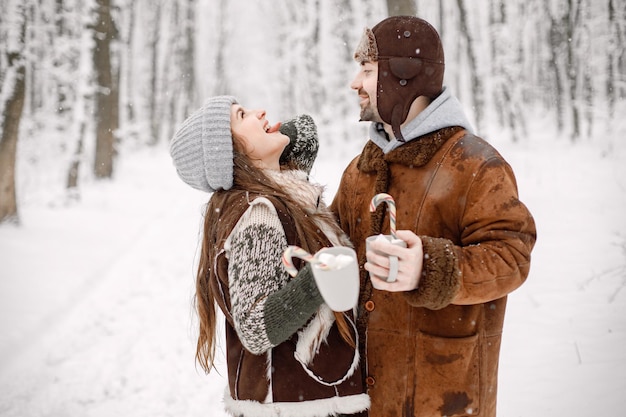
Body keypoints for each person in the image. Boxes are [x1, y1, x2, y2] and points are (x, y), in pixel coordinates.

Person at [330, 16, 537, 417]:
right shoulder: (360, 170)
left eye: (368, 70)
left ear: (402, 76)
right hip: (363, 401)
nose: (354, 83)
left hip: (444, 398)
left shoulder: (476, 165)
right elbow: (333, 249)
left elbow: (512, 256)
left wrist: (432, 268)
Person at [169, 96, 369, 417]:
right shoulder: (258, 212)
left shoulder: (274, 194)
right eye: (242, 115)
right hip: (298, 406)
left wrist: (275, 146)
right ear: (227, 151)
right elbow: (255, 326)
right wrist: (320, 277)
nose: (260, 111)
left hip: (305, 399)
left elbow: (305, 133)